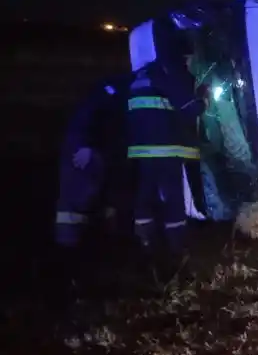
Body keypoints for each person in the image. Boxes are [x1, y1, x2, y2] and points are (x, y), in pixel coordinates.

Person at [127, 57, 207, 256]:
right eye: (187, 59)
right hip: (166, 148)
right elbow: (190, 108)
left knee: (145, 195)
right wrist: (204, 100)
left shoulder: (139, 78)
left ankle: (145, 242)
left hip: (143, 150)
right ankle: (177, 246)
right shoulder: (168, 75)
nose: (189, 63)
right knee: (173, 197)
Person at [54, 74, 130, 251]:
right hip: (91, 159)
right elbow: (85, 119)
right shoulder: (105, 99)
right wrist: (86, 146)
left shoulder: (108, 100)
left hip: (100, 161)